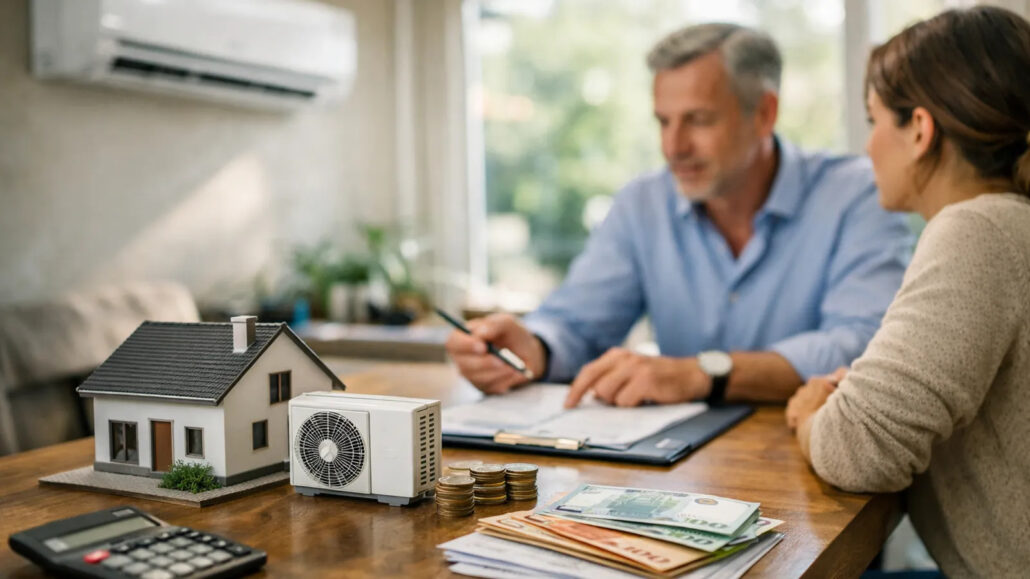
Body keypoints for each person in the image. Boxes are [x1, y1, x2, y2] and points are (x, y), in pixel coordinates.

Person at [447, 23, 911, 408]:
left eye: (699, 120)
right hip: (679, 475)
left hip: (815, 475)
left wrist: (702, 373)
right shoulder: (641, 205)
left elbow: (863, 346)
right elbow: (578, 323)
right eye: (663, 122)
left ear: (764, 113)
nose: (674, 147)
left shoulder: (857, 194)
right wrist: (535, 347)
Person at [785, 6, 1030, 577]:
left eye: (874, 121)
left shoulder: (979, 230)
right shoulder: (1009, 224)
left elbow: (858, 450)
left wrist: (810, 415)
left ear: (920, 130)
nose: (868, 146)